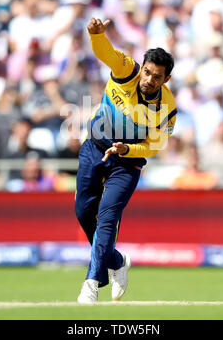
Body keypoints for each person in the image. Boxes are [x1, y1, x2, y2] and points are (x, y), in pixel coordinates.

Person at [75, 18, 177, 303]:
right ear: (141, 67)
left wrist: (126, 150)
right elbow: (106, 51)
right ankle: (117, 262)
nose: (148, 80)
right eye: (147, 73)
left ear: (166, 79)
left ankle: (92, 283)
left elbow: (154, 147)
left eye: (157, 77)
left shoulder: (166, 107)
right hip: (94, 147)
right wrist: (96, 35)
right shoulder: (126, 69)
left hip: (127, 162)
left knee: (107, 216)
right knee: (84, 213)